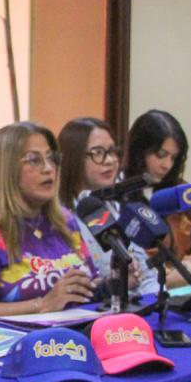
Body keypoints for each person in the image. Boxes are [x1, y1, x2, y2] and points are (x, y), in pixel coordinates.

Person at [0, 121, 99, 323]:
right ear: (6, 170)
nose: (48, 169)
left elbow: (87, 285)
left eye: (51, 159)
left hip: (76, 330)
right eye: (34, 160)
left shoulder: (65, 221)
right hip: (13, 339)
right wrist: (42, 305)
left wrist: (116, 281)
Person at [122, 109, 191, 293]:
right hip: (146, 290)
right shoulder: (119, 196)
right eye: (160, 155)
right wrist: (169, 278)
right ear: (140, 150)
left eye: (173, 158)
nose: (167, 165)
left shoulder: (180, 191)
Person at [57, 116, 142, 293]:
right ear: (73, 158)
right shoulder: (58, 216)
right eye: (97, 153)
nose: (110, 160)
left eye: (112, 151)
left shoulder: (111, 206)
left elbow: (143, 270)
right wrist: (111, 282)